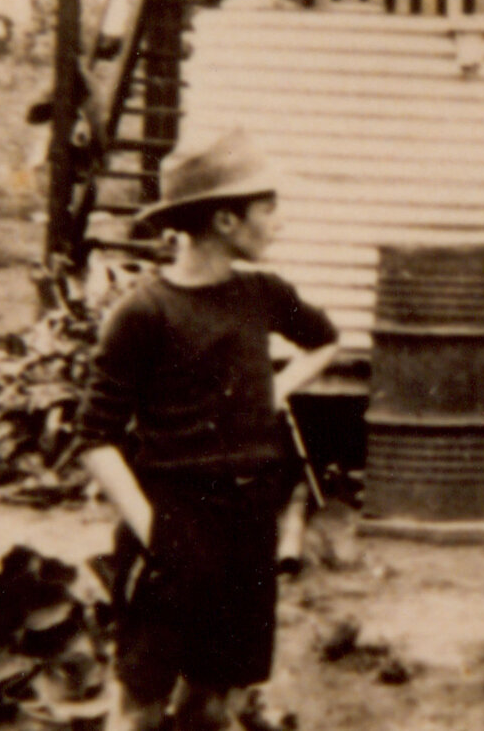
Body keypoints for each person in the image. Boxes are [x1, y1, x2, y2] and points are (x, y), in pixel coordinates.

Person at [73, 129, 339, 731]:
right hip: (174, 521)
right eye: (268, 209)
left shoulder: (264, 294)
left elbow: (324, 341)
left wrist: (272, 391)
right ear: (224, 220)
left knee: (213, 701)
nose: (279, 224)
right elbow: (95, 438)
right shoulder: (143, 313)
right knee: (139, 706)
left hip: (247, 524)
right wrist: (154, 533)